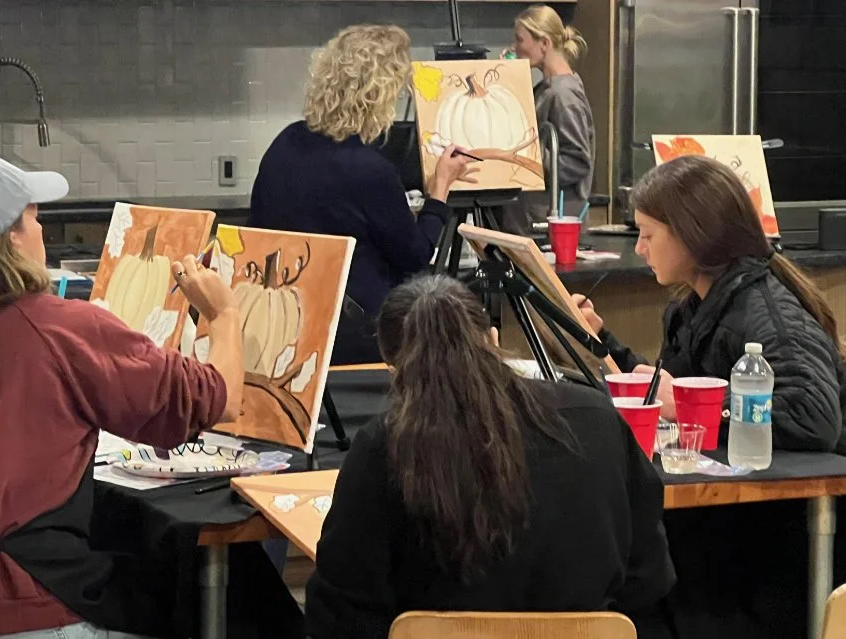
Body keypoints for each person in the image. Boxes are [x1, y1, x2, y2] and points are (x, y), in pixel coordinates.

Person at [0, 154, 244, 639]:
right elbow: (220, 399)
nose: (41, 230)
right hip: (24, 612)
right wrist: (224, 316)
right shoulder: (60, 329)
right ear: (11, 238)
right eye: (34, 216)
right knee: (233, 603)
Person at [305, 274, 676, 639]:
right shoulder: (596, 418)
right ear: (493, 339)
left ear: (394, 370)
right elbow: (648, 576)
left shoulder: (384, 445)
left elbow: (341, 611)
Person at [576, 155, 846, 454]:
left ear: (693, 233)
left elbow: (814, 417)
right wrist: (599, 341)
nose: (640, 248)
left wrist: (685, 402)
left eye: (648, 234)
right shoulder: (691, 310)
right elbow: (667, 388)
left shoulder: (769, 317)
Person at [248, 24, 477, 365]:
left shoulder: (285, 142)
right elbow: (415, 255)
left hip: (280, 324)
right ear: (381, 96)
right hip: (354, 333)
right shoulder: (369, 169)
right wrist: (439, 190)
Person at [502, 5, 596, 234]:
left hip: (550, 223)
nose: (515, 47)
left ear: (544, 43)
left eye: (520, 40)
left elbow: (576, 163)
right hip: (534, 219)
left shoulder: (562, 95)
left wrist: (528, 155)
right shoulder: (545, 89)